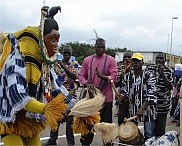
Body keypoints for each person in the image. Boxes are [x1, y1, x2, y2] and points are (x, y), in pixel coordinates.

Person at [0, 6, 76, 146]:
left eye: (57, 40)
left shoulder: (44, 63)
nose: (56, 45)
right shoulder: (16, 59)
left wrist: (75, 109)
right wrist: (48, 109)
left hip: (29, 119)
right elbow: (17, 97)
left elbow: (57, 88)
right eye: (52, 39)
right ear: (41, 40)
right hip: (10, 119)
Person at [78, 38, 118, 146]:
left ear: (105, 47)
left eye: (103, 47)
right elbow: (81, 75)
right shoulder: (87, 60)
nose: (101, 49)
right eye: (98, 47)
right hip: (91, 100)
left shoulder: (111, 60)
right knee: (88, 126)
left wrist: (102, 76)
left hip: (106, 100)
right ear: (94, 47)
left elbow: (114, 77)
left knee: (106, 128)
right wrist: (86, 83)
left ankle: (107, 144)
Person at [120, 53, 157, 141]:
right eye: (134, 61)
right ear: (131, 62)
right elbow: (124, 91)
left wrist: (142, 108)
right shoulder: (127, 77)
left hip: (147, 111)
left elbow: (151, 94)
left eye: (138, 61)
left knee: (149, 134)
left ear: (142, 62)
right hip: (132, 111)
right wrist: (122, 98)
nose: (136, 63)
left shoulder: (149, 75)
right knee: (133, 135)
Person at [44, 45, 77, 145]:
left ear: (71, 54)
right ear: (62, 53)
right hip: (58, 97)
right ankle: (52, 140)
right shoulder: (55, 64)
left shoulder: (74, 63)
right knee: (56, 119)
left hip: (70, 97)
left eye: (69, 53)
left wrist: (63, 65)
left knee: (70, 122)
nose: (67, 55)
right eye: (65, 53)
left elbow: (74, 76)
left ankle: (70, 143)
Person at [147, 52, 173, 137]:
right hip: (151, 106)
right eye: (157, 58)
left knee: (160, 130)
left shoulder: (169, 71)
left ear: (165, 60)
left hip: (163, 106)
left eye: (161, 58)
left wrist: (162, 74)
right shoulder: (149, 69)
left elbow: (170, 86)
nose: (159, 60)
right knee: (150, 130)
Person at [115, 51, 133, 125]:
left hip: (132, 98)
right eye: (125, 57)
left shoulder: (135, 68)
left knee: (131, 121)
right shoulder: (119, 68)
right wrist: (121, 78)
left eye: (129, 57)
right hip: (122, 98)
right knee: (121, 120)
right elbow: (116, 84)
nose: (127, 59)